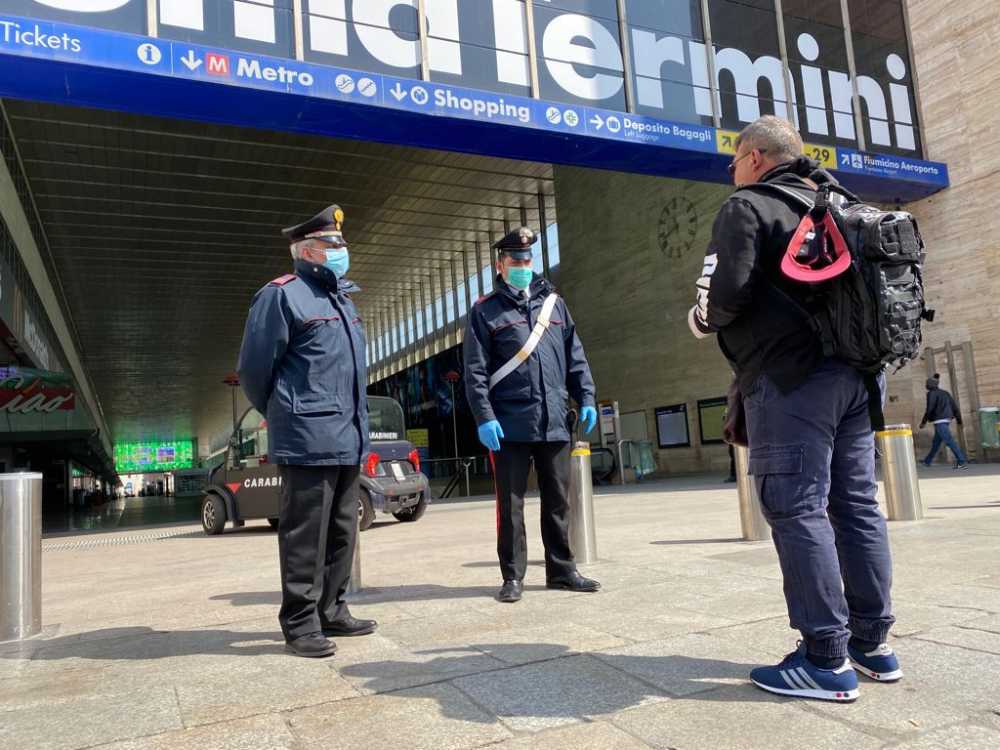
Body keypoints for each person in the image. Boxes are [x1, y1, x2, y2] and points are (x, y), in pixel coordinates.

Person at [688, 116, 900, 701]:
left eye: (734, 161)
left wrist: (699, 319)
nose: (731, 172)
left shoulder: (748, 207)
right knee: (856, 506)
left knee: (797, 506)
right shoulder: (843, 204)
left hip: (790, 381)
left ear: (755, 156)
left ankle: (825, 658)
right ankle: (873, 644)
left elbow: (724, 297)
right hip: (859, 378)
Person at [237, 204, 376, 658]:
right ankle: (299, 623)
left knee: (342, 529)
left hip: (348, 435)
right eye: (334, 245)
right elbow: (256, 372)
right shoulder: (281, 296)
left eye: (342, 245)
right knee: (304, 535)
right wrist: (288, 415)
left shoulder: (344, 301)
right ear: (308, 251)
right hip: (308, 437)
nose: (342, 252)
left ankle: (332, 610)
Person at [464, 226, 601, 603]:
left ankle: (562, 570)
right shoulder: (484, 311)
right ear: (500, 264)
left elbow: (575, 355)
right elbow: (474, 372)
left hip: (554, 419)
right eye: (516, 260)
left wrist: (585, 396)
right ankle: (512, 576)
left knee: (559, 500)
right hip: (507, 425)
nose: (523, 265)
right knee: (510, 505)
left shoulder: (554, 305)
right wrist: (483, 417)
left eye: (527, 260)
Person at [920, 374, 968, 469]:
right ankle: (927, 461)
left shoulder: (931, 393)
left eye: (927, 383)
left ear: (931, 384)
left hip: (939, 420)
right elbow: (954, 406)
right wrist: (959, 420)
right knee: (936, 442)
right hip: (946, 419)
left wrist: (924, 422)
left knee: (949, 441)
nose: (926, 385)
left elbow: (929, 408)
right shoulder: (945, 393)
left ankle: (961, 461)